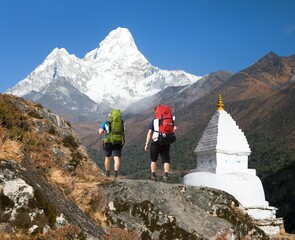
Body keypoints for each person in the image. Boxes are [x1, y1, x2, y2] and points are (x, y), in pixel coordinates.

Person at [144, 105, 175, 182]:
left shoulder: (154, 121)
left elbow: (150, 133)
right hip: (166, 142)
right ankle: (166, 176)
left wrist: (146, 144)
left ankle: (153, 175)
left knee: (153, 160)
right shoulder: (171, 120)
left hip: (156, 142)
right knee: (166, 159)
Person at [99, 110, 124, 178]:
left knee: (108, 157)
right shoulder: (121, 123)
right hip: (118, 141)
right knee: (116, 157)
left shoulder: (106, 122)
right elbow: (123, 130)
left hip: (108, 142)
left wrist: (101, 130)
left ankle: (107, 172)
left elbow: (100, 132)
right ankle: (116, 173)